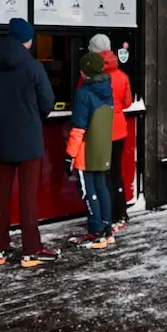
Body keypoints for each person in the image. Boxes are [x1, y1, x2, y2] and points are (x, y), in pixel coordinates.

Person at [0, 17, 60, 268]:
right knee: (28, 197)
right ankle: (30, 251)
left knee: (1, 196)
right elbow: (48, 101)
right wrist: (33, 118)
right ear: (27, 40)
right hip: (28, 141)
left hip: (2, 139)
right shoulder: (33, 67)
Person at [77, 34, 134, 232]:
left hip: (99, 131)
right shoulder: (122, 76)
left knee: (101, 177)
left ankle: (105, 218)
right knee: (116, 173)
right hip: (119, 128)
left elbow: (82, 102)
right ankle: (121, 214)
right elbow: (127, 102)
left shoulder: (89, 74)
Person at [66, 52, 115, 249]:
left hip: (85, 151)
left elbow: (78, 128)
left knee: (88, 191)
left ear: (85, 72)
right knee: (102, 187)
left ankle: (96, 232)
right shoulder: (107, 90)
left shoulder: (83, 94)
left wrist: (69, 155)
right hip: (102, 148)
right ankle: (107, 229)